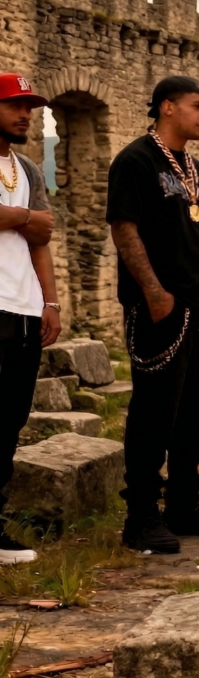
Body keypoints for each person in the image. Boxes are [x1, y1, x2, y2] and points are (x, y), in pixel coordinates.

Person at [106, 76, 199, 553]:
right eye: (198, 106)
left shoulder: (197, 169)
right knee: (154, 411)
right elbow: (124, 229)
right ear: (167, 107)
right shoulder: (136, 161)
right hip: (160, 309)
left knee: (196, 411)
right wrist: (154, 293)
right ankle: (141, 515)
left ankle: (183, 504)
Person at [0, 73, 60, 565]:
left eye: (29, 107)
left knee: (9, 423)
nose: (25, 115)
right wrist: (23, 218)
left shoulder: (28, 170)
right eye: (14, 106)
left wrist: (51, 302)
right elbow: (34, 224)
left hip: (23, 309)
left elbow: (44, 239)